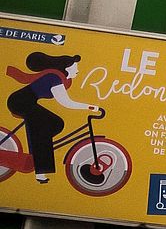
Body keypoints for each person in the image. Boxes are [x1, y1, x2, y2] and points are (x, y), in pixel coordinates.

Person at [6, 51, 101, 182]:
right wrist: (90, 107)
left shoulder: (58, 78)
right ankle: (40, 170)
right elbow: (66, 103)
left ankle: (39, 151)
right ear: (66, 68)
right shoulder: (54, 78)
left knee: (54, 124)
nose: (78, 70)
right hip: (20, 102)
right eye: (75, 67)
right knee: (48, 126)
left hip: (25, 102)